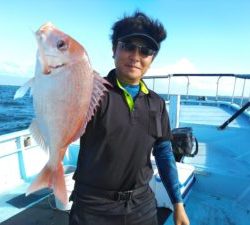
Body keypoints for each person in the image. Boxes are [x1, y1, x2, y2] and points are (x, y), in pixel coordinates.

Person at [69, 11, 190, 225]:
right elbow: (64, 119)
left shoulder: (157, 103)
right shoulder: (90, 93)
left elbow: (163, 154)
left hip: (141, 205)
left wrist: (177, 204)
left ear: (151, 59)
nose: (135, 56)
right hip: (92, 206)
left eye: (145, 51)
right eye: (127, 46)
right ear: (114, 49)